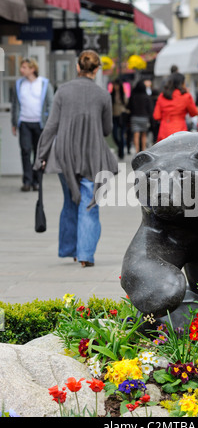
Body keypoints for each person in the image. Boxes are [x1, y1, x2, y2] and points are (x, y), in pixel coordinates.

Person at [33, 50, 118, 267]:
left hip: (64, 155)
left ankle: (70, 249)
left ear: (78, 68)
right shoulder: (102, 95)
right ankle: (85, 255)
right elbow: (107, 129)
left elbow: (51, 126)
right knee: (89, 202)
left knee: (71, 199)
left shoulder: (63, 91)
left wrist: (41, 156)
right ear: (96, 70)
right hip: (92, 154)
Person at [11, 58, 54, 192]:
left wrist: (49, 124)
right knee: (25, 151)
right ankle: (27, 181)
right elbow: (15, 105)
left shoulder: (44, 84)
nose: (21, 70)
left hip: (40, 124)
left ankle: (37, 181)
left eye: (24, 67)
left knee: (39, 153)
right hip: (24, 123)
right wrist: (14, 122)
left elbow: (50, 103)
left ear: (32, 69)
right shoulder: (19, 84)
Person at [153, 72, 198, 142]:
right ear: (182, 83)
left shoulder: (162, 96)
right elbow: (194, 113)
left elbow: (156, 116)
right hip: (180, 132)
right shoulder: (185, 96)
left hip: (164, 132)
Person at [127, 80, 153, 153]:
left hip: (134, 117)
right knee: (144, 134)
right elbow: (150, 109)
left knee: (136, 134)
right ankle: (143, 150)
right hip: (144, 118)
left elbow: (129, 107)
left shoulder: (133, 97)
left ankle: (137, 150)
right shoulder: (147, 97)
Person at [110, 78, 128, 159]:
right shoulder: (111, 95)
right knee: (115, 135)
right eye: (114, 85)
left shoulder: (123, 94)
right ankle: (120, 147)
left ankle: (121, 152)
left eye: (117, 85)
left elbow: (126, 103)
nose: (115, 87)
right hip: (114, 116)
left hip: (122, 116)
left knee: (121, 134)